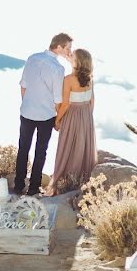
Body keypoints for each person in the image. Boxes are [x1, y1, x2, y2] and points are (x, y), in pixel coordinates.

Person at [15, 32, 73, 196]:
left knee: (23, 148)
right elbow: (57, 98)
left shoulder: (32, 58)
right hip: (46, 116)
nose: (69, 52)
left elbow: (23, 86)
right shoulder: (58, 68)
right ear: (59, 47)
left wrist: (27, 103)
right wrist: (59, 118)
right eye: (68, 48)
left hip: (26, 111)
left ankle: (18, 185)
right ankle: (33, 188)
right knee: (40, 151)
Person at [46, 48, 97, 196]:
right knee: (82, 148)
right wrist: (87, 118)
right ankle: (81, 180)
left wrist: (57, 120)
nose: (69, 57)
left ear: (77, 62)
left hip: (72, 115)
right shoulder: (90, 78)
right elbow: (92, 101)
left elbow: (65, 104)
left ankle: (63, 181)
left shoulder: (68, 80)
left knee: (67, 147)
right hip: (86, 115)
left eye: (72, 57)